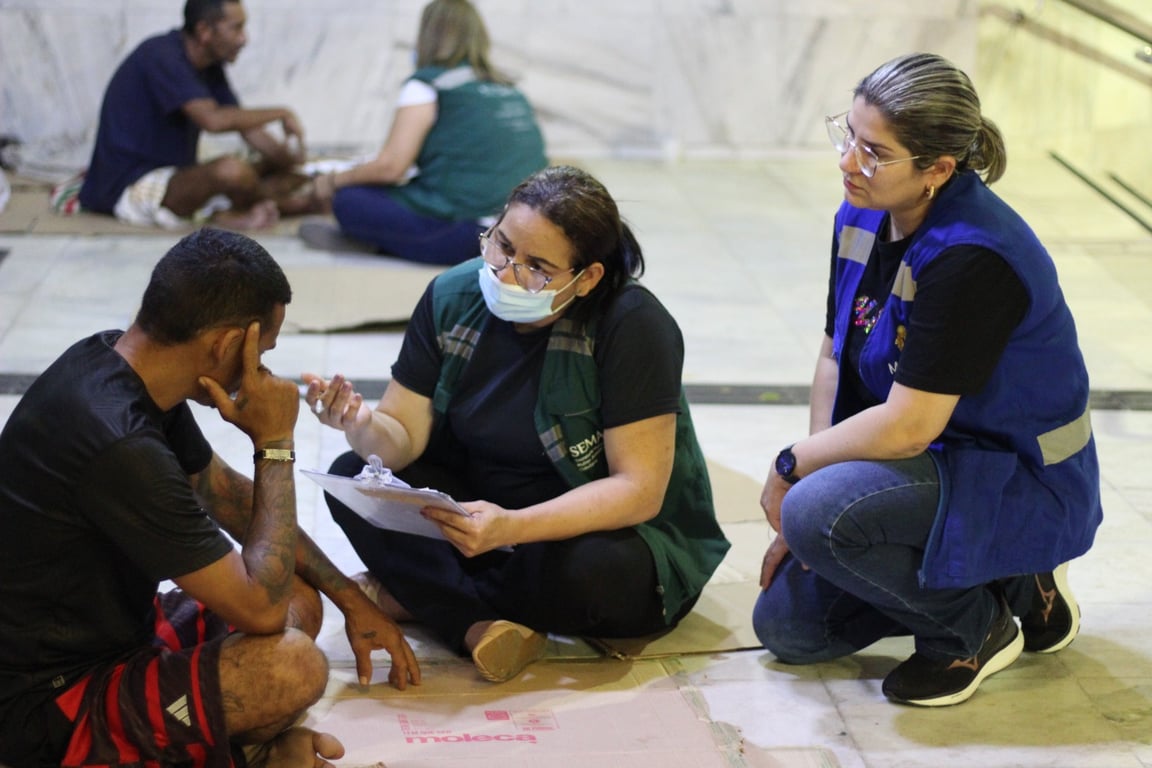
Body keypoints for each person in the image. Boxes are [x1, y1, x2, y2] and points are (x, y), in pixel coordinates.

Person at [752, 52, 1103, 707]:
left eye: (874, 152)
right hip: (934, 460)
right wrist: (817, 481)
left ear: (938, 170)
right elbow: (834, 354)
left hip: (1016, 474)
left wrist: (794, 467)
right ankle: (1003, 580)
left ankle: (978, 627)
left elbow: (910, 427)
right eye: (848, 136)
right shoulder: (860, 212)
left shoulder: (973, 255)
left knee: (815, 514)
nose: (848, 163)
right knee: (790, 630)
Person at [0, 228, 420, 768]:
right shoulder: (116, 442)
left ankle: (238, 748)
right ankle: (248, 756)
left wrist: (353, 601)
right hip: (45, 700)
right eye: (261, 352)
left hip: (121, 637)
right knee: (293, 667)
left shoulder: (119, 362)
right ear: (225, 345)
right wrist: (275, 444)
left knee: (300, 594)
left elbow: (226, 497)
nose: (262, 371)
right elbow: (261, 612)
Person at [302, 165, 730, 682]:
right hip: (485, 515)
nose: (506, 273)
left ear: (587, 276)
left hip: (583, 525)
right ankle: (475, 622)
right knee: (358, 476)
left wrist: (512, 527)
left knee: (598, 576)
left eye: (536, 267)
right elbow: (400, 438)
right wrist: (359, 422)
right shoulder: (453, 296)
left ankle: (427, 597)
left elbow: (637, 491)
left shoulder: (631, 324)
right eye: (501, 246)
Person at [302, 0, 547, 265]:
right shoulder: (509, 89)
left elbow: (391, 167)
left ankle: (381, 245)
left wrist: (332, 181)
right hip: (523, 233)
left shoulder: (428, 84)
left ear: (427, 35)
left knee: (349, 200)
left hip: (466, 235)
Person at [77, 0, 316, 231]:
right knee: (231, 171)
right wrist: (283, 112)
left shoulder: (210, 65)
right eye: (236, 28)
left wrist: (288, 161)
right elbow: (213, 120)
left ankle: (249, 205)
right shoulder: (162, 57)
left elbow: (242, 123)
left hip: (176, 173)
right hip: (129, 184)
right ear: (204, 31)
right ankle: (288, 205)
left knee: (268, 169)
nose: (244, 39)